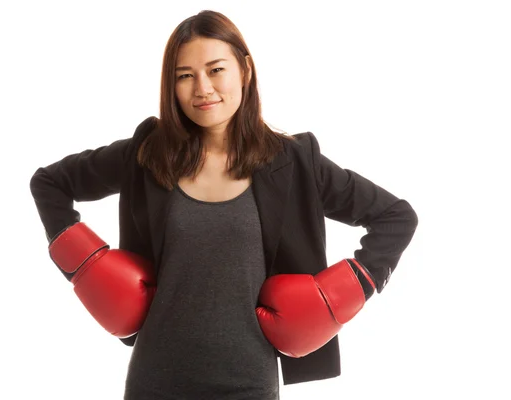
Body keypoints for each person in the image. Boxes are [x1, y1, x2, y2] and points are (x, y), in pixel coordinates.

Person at [29, 9, 418, 400]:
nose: (202, 88)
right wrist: (85, 267)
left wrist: (347, 290)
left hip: (250, 386)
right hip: (154, 382)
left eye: (216, 69)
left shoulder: (295, 162)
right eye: (185, 75)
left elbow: (395, 217)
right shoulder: (147, 154)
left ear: (244, 71)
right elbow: (49, 183)